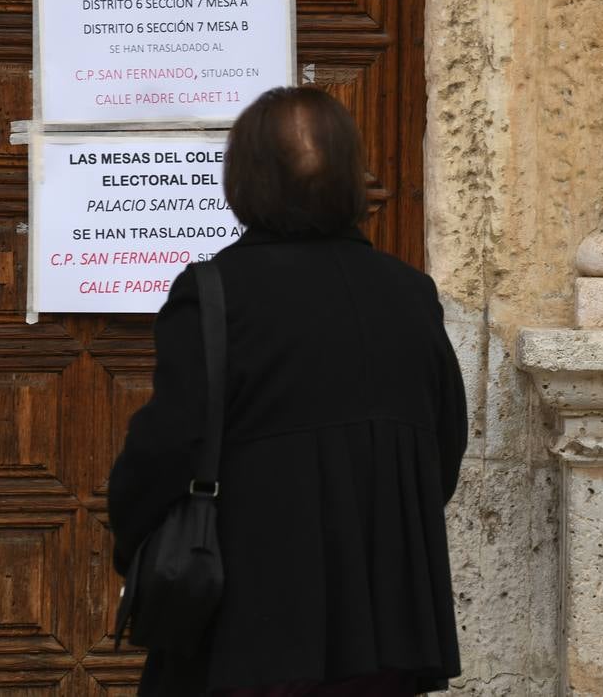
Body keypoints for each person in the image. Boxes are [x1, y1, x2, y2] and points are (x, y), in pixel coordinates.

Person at [109, 86, 468, 696]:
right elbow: (443, 451)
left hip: (250, 627)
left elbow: (165, 449)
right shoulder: (410, 293)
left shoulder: (215, 293)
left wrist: (131, 538)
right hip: (386, 629)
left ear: (244, 178)